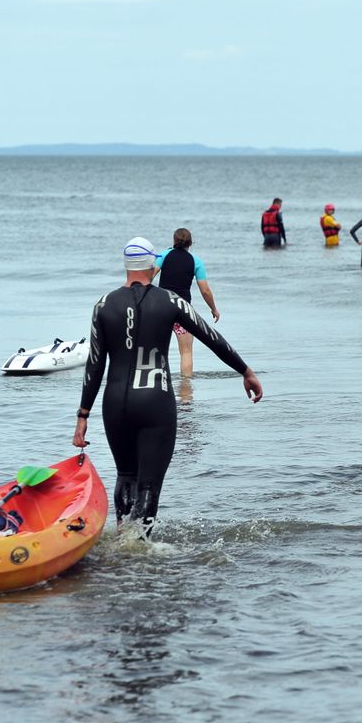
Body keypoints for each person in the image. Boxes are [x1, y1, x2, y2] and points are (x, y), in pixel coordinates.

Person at [73, 237, 263, 538]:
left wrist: (82, 416)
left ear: (126, 266)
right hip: (154, 402)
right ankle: (142, 550)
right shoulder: (170, 301)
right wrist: (245, 370)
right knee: (149, 483)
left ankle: (123, 538)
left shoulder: (103, 305)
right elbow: (210, 337)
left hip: (115, 404)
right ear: (152, 266)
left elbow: (95, 366)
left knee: (125, 475)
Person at [151, 228, 221, 378]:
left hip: (160, 309)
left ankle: (155, 384)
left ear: (174, 240)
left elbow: (149, 276)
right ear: (190, 243)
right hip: (182, 311)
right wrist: (213, 309)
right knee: (186, 351)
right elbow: (205, 290)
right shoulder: (196, 262)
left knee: (157, 349)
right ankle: (186, 391)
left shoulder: (163, 255)